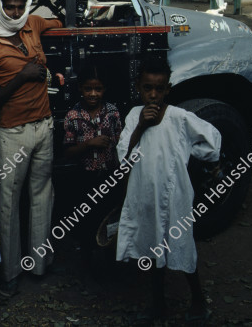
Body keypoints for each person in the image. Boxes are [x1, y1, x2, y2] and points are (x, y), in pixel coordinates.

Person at [116, 57, 221, 324]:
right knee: (151, 244)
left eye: (159, 88)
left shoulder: (179, 117)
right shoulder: (132, 117)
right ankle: (158, 304)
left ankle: (198, 302)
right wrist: (141, 125)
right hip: (145, 195)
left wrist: (206, 158)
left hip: (175, 196)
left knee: (181, 244)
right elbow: (124, 157)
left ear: (168, 89)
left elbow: (211, 140)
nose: (153, 94)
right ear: (139, 87)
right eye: (147, 88)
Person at [0, 0, 63, 297]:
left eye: (19, 6)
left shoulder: (31, 23)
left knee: (42, 196)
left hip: (43, 126)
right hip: (12, 133)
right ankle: (9, 273)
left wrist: (49, 17)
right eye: (9, 7)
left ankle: (39, 264)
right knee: (8, 204)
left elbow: (57, 23)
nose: (14, 13)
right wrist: (21, 77)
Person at [63, 65, 122, 258]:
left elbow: (121, 144)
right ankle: (89, 257)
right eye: (88, 89)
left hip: (109, 175)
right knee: (87, 218)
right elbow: (68, 152)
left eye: (98, 89)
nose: (93, 94)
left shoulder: (112, 113)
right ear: (80, 88)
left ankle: (109, 256)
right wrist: (89, 144)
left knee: (108, 216)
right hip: (85, 178)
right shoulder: (73, 116)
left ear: (104, 89)